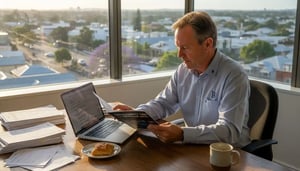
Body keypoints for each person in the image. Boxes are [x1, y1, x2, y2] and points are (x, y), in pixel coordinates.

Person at [114, 11, 251, 147]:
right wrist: (137, 115)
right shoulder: (183, 70)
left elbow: (229, 131)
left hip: (230, 154)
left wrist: (182, 134)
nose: (179, 54)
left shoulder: (234, 75)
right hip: (194, 146)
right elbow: (164, 103)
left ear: (208, 44)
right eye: (178, 47)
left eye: (185, 47)